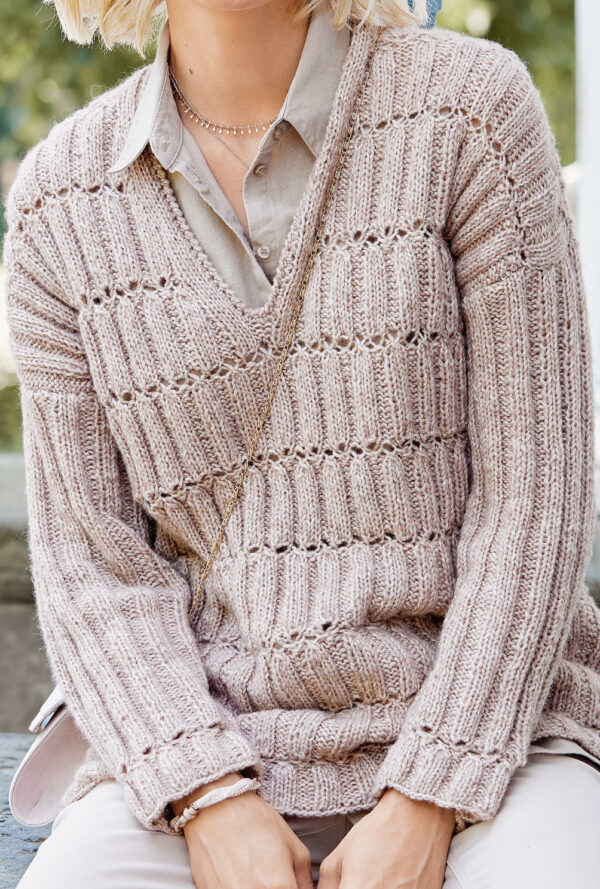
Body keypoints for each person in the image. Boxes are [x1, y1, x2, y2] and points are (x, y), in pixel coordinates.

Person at [3, 0, 600, 886]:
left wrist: (431, 792)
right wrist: (205, 793)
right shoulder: (59, 203)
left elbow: (535, 500)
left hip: (496, 733)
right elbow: (94, 569)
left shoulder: (472, 109)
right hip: (204, 745)